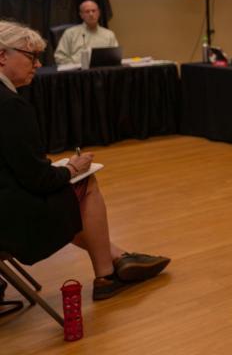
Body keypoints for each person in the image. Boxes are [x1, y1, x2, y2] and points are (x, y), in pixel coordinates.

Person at [0, 20, 170, 301]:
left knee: (66, 195)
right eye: (32, 57)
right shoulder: (10, 105)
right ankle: (106, 275)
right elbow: (38, 180)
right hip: (11, 221)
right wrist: (70, 169)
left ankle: (120, 257)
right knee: (85, 184)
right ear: (3, 55)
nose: (38, 65)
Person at [54, 0, 119, 65]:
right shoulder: (70, 33)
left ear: (98, 13)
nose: (91, 14)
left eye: (93, 11)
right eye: (87, 12)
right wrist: (75, 65)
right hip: (77, 72)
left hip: (102, 72)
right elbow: (59, 57)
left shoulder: (109, 34)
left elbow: (115, 58)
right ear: (81, 15)